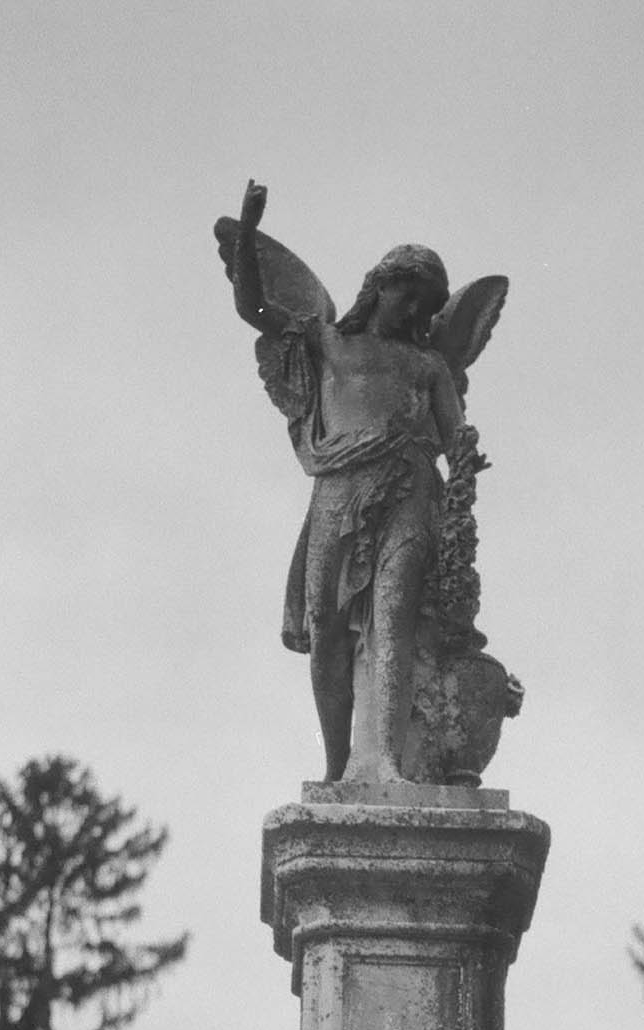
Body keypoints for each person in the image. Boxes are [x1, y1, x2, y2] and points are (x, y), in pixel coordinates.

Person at [229, 181, 464, 784]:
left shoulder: (429, 365)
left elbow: (456, 437)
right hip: (338, 491)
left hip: (410, 489)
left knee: (394, 618)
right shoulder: (327, 340)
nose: (414, 314)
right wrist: (249, 234)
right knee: (326, 628)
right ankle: (336, 766)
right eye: (409, 297)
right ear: (381, 285)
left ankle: (387, 762)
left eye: (426, 307)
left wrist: (466, 466)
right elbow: (254, 308)